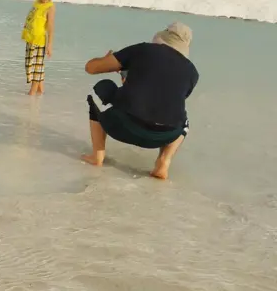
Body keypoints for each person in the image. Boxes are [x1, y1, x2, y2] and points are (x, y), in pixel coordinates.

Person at [82, 22, 199, 180]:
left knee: (101, 88)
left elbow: (91, 68)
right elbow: (161, 99)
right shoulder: (192, 72)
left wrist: (108, 60)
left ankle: (97, 155)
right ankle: (163, 163)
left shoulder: (143, 49)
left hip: (122, 127)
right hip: (163, 137)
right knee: (183, 121)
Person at [21, 0, 60, 95]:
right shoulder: (36, 2)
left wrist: (50, 45)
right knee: (31, 64)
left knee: (36, 68)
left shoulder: (50, 7)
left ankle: (32, 93)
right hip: (31, 39)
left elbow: (50, 27)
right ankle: (40, 91)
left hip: (39, 41)